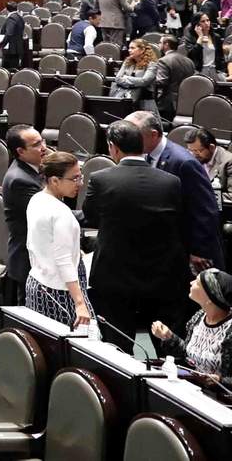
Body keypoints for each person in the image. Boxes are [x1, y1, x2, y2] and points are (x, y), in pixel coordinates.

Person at [84, 119, 190, 337]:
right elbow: (179, 220)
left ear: (113, 147)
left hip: (115, 277)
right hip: (162, 276)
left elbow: (91, 217)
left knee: (118, 347)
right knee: (167, 346)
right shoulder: (171, 181)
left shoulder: (100, 179)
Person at [128, 110, 223, 271]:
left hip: (189, 252)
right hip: (164, 250)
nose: (128, 140)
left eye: (134, 135)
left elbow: (205, 210)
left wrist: (198, 250)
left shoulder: (184, 162)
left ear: (153, 134)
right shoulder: (143, 156)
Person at [24, 151, 92, 328]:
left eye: (80, 176)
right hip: (61, 291)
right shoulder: (61, 213)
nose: (81, 183)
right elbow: (63, 261)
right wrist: (79, 303)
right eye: (75, 178)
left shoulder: (36, 199)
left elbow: (37, 244)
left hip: (37, 283)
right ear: (54, 180)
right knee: (81, 346)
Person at [151, 268, 232, 382]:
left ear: (210, 298)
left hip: (217, 398)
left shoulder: (229, 330)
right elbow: (188, 356)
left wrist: (220, 381)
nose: (191, 282)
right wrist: (168, 336)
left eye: (197, 282)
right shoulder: (199, 317)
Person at [2, 125, 48, 304]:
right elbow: (49, 214)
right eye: (37, 144)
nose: (43, 147)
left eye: (42, 141)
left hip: (39, 257)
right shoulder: (20, 180)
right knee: (31, 322)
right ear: (20, 151)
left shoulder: (33, 171)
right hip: (29, 259)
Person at [113, 40, 164, 108]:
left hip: (144, 101)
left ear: (142, 50)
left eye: (132, 48)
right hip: (126, 97)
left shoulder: (152, 64)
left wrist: (125, 78)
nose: (129, 50)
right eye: (129, 48)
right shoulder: (127, 61)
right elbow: (118, 78)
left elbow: (144, 81)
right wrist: (135, 83)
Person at [186, 127, 232, 192]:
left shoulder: (228, 162)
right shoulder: (189, 156)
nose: (193, 154)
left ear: (211, 147)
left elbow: (230, 197)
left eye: (198, 151)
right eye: (191, 150)